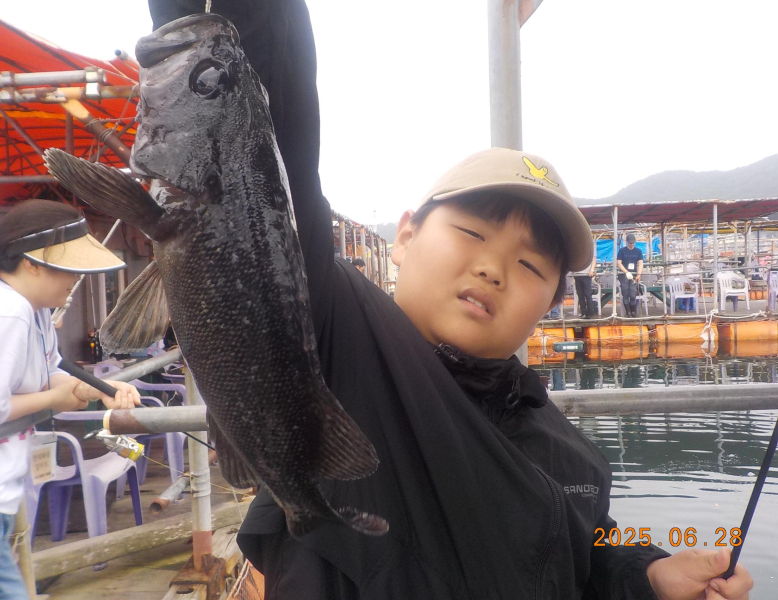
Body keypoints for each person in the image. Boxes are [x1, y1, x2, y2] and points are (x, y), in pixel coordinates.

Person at [149, 2, 754, 598]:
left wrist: (646, 579)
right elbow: (262, 144)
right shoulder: (335, 331)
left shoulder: (575, 457)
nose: (493, 268)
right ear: (405, 236)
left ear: (548, 307)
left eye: (530, 265)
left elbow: (586, 560)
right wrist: (214, 42)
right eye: (470, 232)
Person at [0, 200, 141, 599]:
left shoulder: (32, 310)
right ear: (31, 263)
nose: (76, 279)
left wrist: (98, 390)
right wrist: (55, 397)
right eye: (68, 268)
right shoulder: (4, 311)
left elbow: (50, 370)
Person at [617, 233, 644, 318]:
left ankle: (633, 311)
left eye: (633, 243)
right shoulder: (622, 251)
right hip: (624, 275)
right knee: (625, 294)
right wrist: (626, 272)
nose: (631, 244)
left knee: (633, 294)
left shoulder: (638, 251)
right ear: (627, 242)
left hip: (634, 274)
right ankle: (628, 312)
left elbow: (640, 263)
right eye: (630, 243)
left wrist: (639, 274)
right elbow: (619, 263)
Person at [573, 237, 597, 319]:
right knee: (580, 294)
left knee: (587, 294)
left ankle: (590, 312)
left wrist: (592, 270)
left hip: (587, 274)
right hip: (577, 274)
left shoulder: (590, 248)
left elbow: (594, 259)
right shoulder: (575, 249)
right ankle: (583, 312)